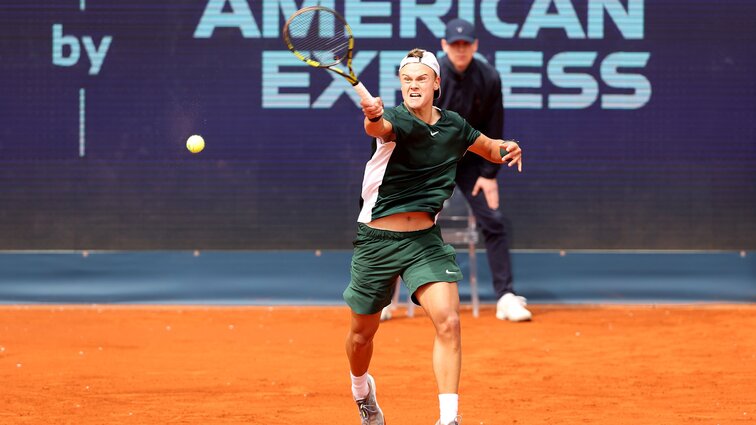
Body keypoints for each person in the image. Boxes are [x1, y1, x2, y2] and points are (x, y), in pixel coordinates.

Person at [343, 48, 522, 425]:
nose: (413, 85)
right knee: (361, 336)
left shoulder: (454, 126)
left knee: (449, 321)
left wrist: (506, 147)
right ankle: (361, 389)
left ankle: (448, 418)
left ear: (436, 83)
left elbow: (488, 147)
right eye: (406, 79)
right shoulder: (393, 120)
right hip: (377, 242)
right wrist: (373, 116)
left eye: (421, 78)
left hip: (424, 242)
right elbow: (378, 129)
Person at [436, 18, 532, 322]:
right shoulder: (431, 76)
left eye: (466, 44)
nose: (460, 50)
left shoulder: (489, 77)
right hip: (434, 160)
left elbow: (495, 128)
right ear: (444, 46)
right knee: (409, 223)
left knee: (493, 220)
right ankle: (387, 300)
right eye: (455, 44)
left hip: (474, 161)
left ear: (475, 46)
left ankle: (505, 296)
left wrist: (489, 176)